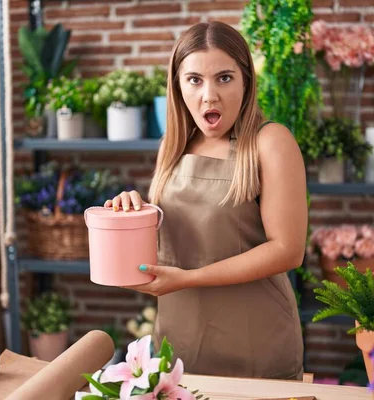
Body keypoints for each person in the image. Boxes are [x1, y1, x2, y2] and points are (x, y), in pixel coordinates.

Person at [104, 21, 308, 380]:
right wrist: (130, 215)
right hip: (180, 338)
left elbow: (288, 250)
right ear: (178, 85)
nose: (209, 95)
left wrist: (189, 278)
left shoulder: (269, 142)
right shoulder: (173, 148)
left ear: (246, 81)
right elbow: (170, 247)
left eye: (224, 78)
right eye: (194, 79)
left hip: (254, 339)